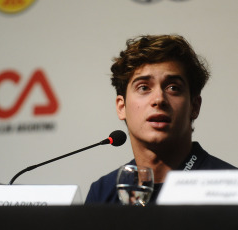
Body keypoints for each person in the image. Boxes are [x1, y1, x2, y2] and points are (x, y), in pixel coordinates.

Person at [85, 34, 236, 204]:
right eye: (143, 87)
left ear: (194, 106)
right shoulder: (104, 193)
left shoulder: (229, 189)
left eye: (173, 87)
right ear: (122, 107)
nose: (159, 99)